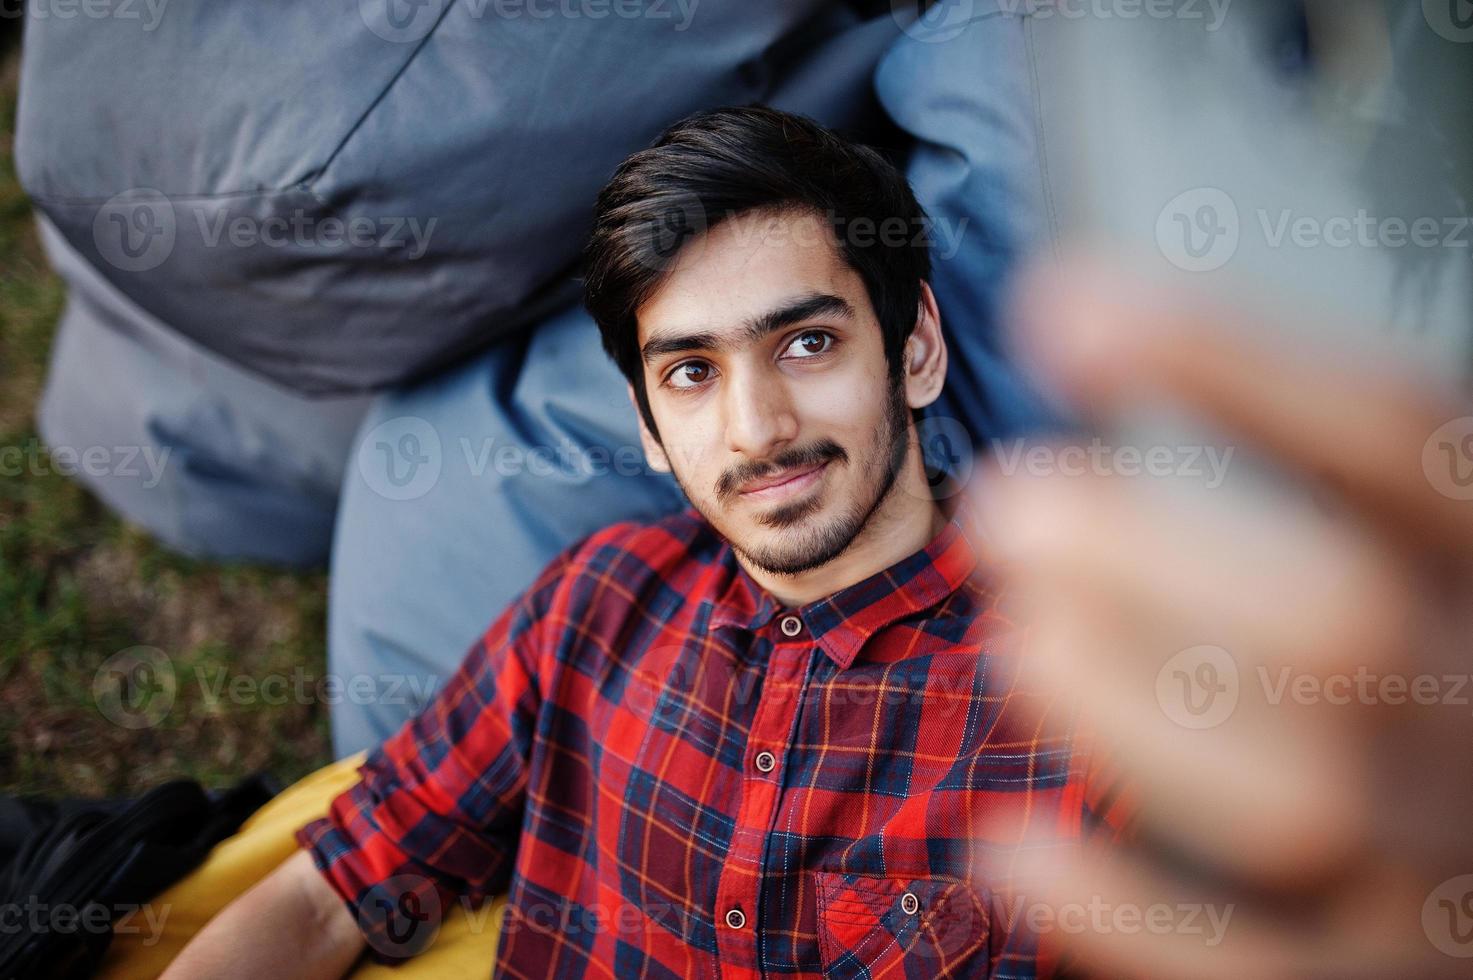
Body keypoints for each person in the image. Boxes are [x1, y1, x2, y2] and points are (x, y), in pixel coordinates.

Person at [160, 106, 1124, 979]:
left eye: (806, 343)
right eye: (693, 372)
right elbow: (324, 897)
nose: (757, 428)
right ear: (649, 429)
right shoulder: (598, 602)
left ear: (913, 348)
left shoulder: (1083, 706)